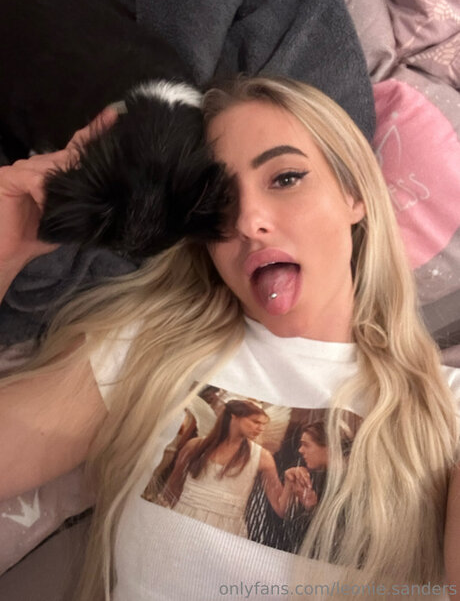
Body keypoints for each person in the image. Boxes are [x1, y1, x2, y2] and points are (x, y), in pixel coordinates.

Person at [0, 76, 459, 600]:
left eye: (285, 178)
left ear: (353, 194)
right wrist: (7, 241)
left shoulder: (446, 409)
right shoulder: (148, 352)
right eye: (217, 202)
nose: (247, 221)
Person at [156, 399, 294, 536]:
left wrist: (289, 483)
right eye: (255, 422)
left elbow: (280, 508)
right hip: (184, 519)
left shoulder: (262, 457)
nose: (261, 428)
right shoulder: (195, 446)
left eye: (263, 424)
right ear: (234, 416)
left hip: (225, 530)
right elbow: (172, 488)